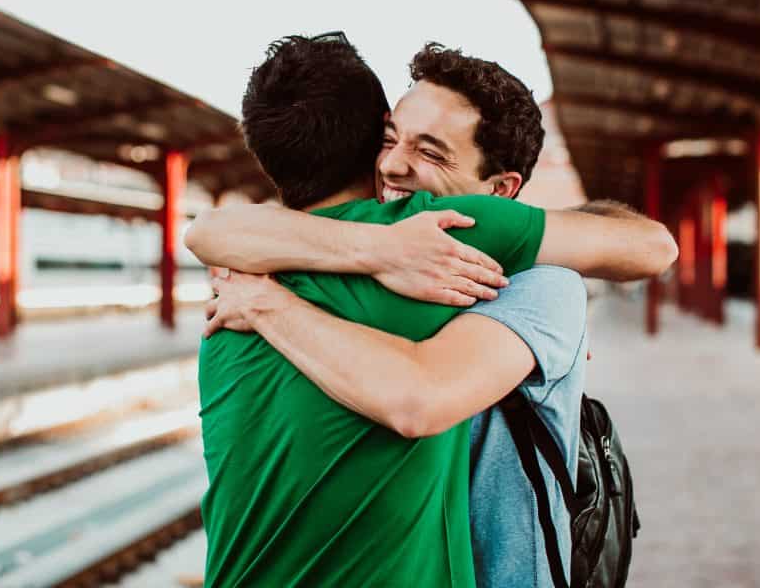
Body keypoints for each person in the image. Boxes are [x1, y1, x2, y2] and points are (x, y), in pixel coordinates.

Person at [193, 35, 675, 587]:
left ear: (501, 191)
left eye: (430, 152)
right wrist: (380, 250)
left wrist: (266, 303)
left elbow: (652, 246)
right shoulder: (357, 246)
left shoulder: (536, 279)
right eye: (389, 138)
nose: (394, 166)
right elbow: (208, 232)